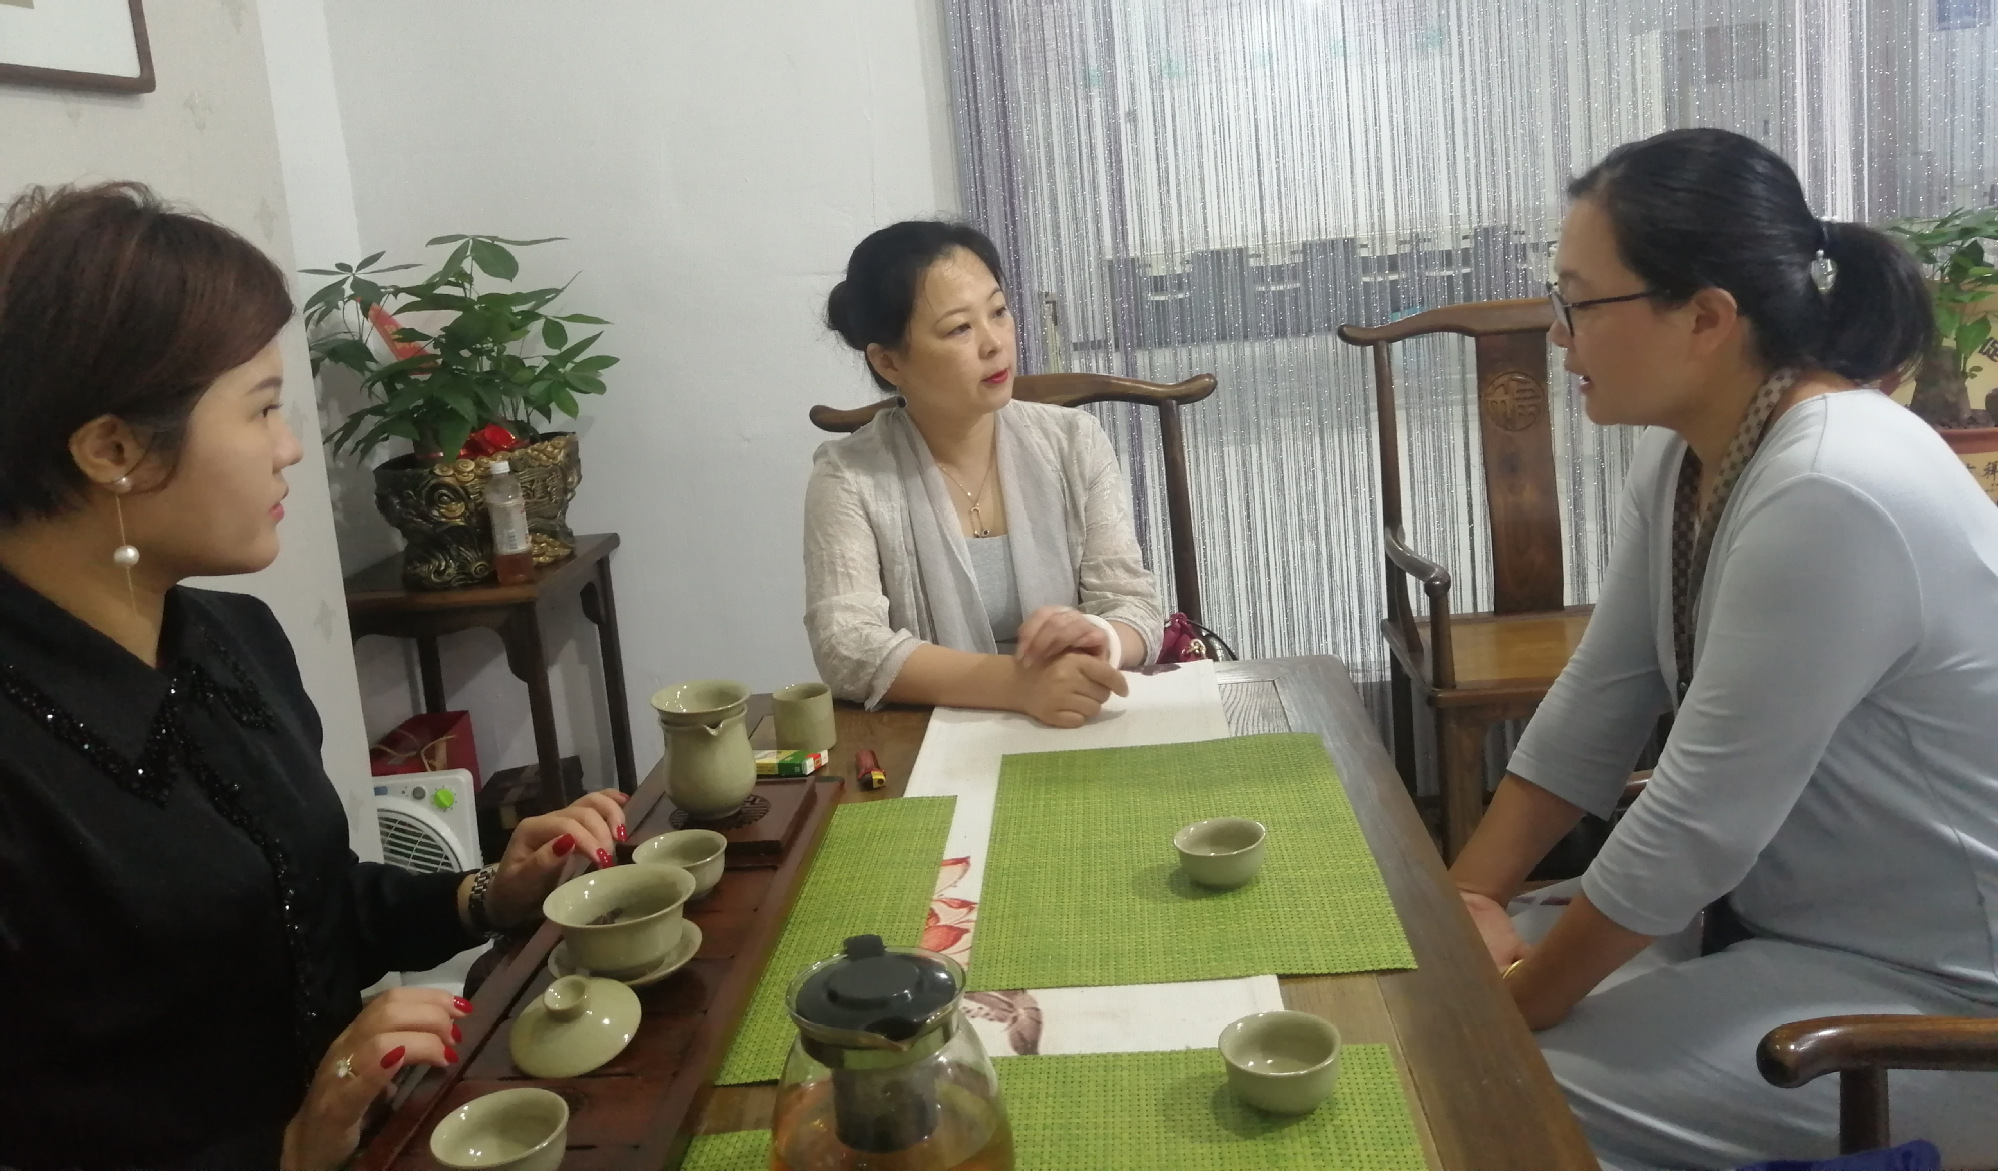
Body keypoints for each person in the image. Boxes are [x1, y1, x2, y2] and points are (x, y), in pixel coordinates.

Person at [0, 182, 632, 1169]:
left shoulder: (235, 641)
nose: (290, 447)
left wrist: (487, 895)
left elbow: (305, 910)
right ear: (113, 449)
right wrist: (286, 1150)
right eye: (261, 410)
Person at [1447, 128, 1998, 1168]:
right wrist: (1459, 912)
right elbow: (1598, 702)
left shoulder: (1833, 484)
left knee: (1475, 1087)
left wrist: (1494, 1009)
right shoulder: (1695, 459)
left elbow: (1693, 827)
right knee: (1447, 1010)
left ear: (1705, 317)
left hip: (1945, 1000)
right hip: (1793, 932)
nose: (1556, 333)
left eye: (1579, 301)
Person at [803, 221, 1163, 727]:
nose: (994, 343)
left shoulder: (1073, 442)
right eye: (959, 328)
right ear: (888, 362)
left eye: (998, 312)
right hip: (930, 737)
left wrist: (1099, 640)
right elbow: (846, 646)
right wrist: (1017, 686)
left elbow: (1133, 605)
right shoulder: (849, 476)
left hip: (1074, 717)